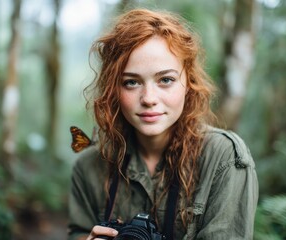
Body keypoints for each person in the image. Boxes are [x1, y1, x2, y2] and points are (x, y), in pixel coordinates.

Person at [68, 8, 258, 240]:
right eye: (131, 82)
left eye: (165, 80)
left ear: (188, 82)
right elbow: (78, 231)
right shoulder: (89, 167)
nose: (148, 98)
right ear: (113, 90)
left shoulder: (223, 159)